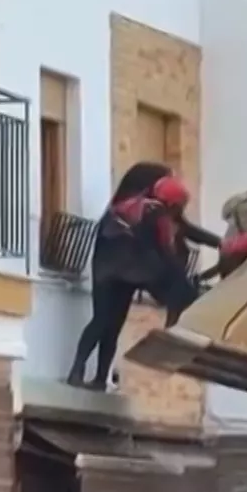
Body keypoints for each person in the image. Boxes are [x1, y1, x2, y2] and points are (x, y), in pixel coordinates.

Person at [65, 164, 222, 390]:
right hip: (122, 274)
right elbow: (166, 247)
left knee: (105, 323)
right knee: (106, 323)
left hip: (113, 274)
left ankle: (91, 376)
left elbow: (184, 229)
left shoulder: (128, 209)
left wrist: (218, 243)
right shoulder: (151, 211)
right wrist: (178, 274)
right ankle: (86, 374)